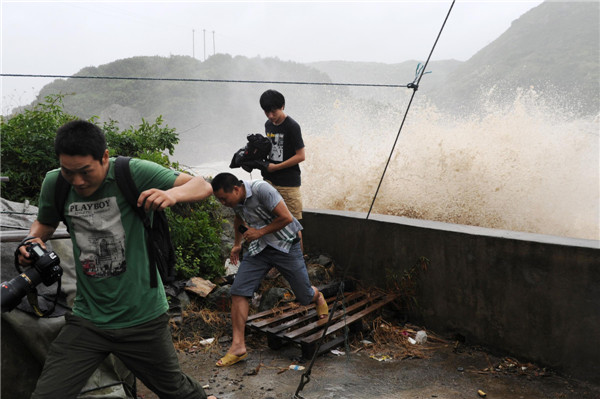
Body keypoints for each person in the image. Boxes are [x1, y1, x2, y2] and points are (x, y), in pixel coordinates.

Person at [16, 120, 217, 399]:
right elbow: (44, 223)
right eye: (68, 172)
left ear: (105, 157)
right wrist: (32, 241)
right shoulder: (55, 183)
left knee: (176, 391)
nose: (77, 181)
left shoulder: (131, 172)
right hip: (87, 320)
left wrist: (171, 194)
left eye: (85, 171)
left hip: (143, 319)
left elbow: (202, 186)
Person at [210, 172, 328, 367]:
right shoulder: (236, 202)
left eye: (224, 198)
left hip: (285, 245)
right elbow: (239, 219)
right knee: (238, 291)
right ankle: (238, 347)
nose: (223, 203)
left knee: (304, 296)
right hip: (261, 249)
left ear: (237, 189)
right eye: (219, 200)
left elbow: (286, 217)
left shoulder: (261, 189)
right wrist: (237, 244)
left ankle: (317, 296)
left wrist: (259, 232)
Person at [259, 89, 306, 251]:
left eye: (274, 111)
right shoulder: (268, 125)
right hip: (270, 181)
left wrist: (276, 167)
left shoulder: (292, 126)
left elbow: (301, 156)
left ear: (283, 107)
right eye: (267, 112)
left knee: (294, 225)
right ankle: (277, 261)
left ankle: (298, 262)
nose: (271, 116)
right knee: (273, 222)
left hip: (289, 183)